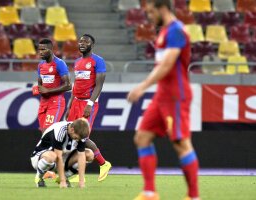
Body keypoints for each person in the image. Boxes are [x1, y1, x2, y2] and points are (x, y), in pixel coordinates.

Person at [127, 1, 200, 200]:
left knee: (181, 144)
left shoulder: (177, 30)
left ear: (162, 8)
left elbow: (167, 65)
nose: (149, 16)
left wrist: (142, 87)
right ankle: (150, 193)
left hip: (176, 96)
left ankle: (194, 197)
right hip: (162, 95)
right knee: (142, 138)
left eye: (151, 12)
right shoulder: (165, 32)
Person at [65, 34, 112, 182]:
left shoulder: (98, 61)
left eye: (86, 41)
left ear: (92, 45)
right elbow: (76, 85)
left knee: (82, 137)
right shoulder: (78, 62)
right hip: (76, 102)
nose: (82, 43)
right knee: (71, 136)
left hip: (88, 103)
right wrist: (69, 105)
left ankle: (103, 164)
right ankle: (74, 171)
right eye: (80, 41)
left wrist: (90, 104)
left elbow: (99, 85)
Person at [30, 118, 92, 188]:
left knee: (89, 154)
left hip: (62, 159)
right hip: (41, 158)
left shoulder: (79, 131)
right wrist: (63, 182)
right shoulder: (60, 130)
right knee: (52, 156)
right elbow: (58, 157)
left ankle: (64, 177)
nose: (77, 140)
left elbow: (81, 156)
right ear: (72, 130)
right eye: (76, 138)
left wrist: (81, 182)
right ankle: (39, 178)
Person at [34, 38, 71, 133]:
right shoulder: (40, 65)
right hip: (43, 103)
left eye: (43, 49)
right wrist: (38, 89)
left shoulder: (59, 63)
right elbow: (40, 84)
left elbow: (68, 85)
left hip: (55, 102)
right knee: (43, 133)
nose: (40, 52)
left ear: (50, 50)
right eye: (39, 50)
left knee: (48, 131)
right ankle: (53, 148)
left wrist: (48, 91)